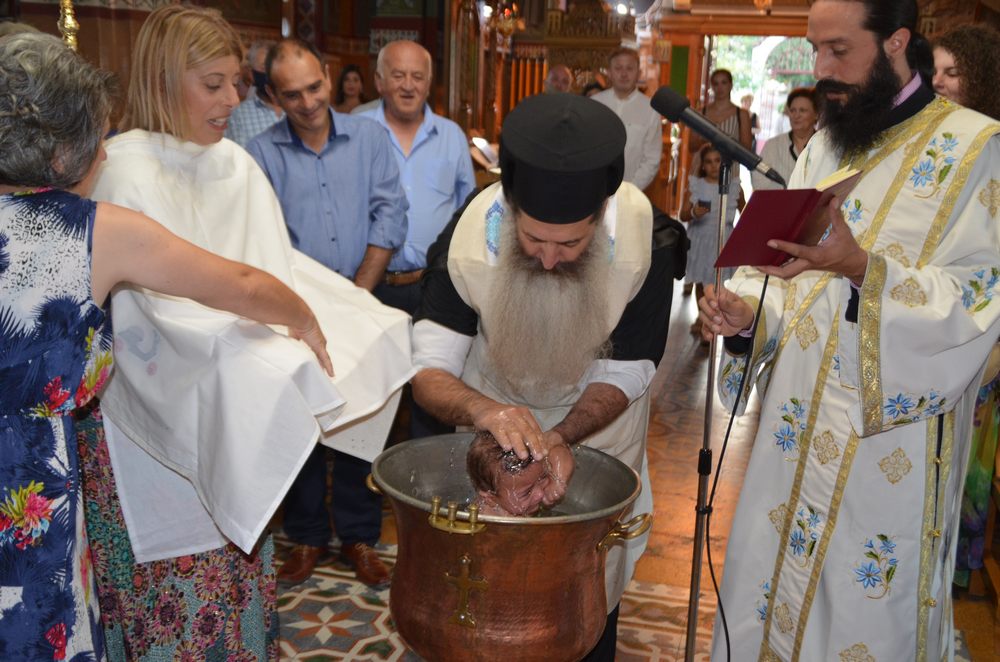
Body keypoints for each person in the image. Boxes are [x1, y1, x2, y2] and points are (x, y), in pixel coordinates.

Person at [87, 6, 412, 658]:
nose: (234, 100)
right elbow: (152, 312)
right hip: (155, 422)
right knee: (172, 605)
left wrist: (359, 319)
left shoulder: (234, 163)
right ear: (160, 77)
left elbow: (277, 268)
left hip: (240, 398)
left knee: (236, 582)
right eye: (213, 84)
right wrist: (259, 350)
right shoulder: (121, 170)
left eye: (237, 81)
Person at [0, 32, 332, 661]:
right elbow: (237, 284)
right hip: (31, 502)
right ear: (62, 147)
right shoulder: (91, 231)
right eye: (94, 136)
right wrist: (304, 318)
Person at [698, 1, 1000, 660]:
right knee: (763, 597)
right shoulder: (829, 143)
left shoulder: (976, 146)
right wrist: (749, 312)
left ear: (896, 42)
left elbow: (979, 299)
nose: (820, 70)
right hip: (792, 429)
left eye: (838, 51)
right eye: (814, 50)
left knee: (858, 617)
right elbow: (777, 266)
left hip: (885, 445)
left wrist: (862, 267)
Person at [411, 93, 674, 660]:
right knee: (481, 607)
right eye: (533, 241)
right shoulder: (468, 237)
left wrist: (558, 437)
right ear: (509, 209)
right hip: (489, 428)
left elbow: (627, 367)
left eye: (571, 244)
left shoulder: (642, 238)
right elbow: (429, 370)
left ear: (600, 215)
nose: (550, 259)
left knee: (581, 603)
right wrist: (487, 414)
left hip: (599, 435)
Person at [248, 37, 410, 588]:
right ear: (274, 96)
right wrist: (301, 311)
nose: (309, 102)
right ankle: (309, 537)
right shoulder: (261, 153)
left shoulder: (368, 138)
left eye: (315, 87)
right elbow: (260, 239)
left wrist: (359, 294)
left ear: (329, 75)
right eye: (292, 95)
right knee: (304, 424)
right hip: (294, 310)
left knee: (363, 420)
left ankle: (361, 537)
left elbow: (389, 212)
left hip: (363, 296)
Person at [931, 24, 1000, 591]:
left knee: (971, 469)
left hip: (987, 335)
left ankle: (957, 574)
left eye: (953, 72)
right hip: (941, 328)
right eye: (934, 72)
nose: (940, 83)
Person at [360, 39, 475, 315]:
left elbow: (469, 214)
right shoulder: (358, 131)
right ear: (379, 81)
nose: (409, 86)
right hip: (371, 285)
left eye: (418, 77)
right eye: (398, 76)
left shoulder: (452, 136)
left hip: (436, 283)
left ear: (428, 82)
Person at [680, 144, 739, 340]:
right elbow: (683, 214)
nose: (714, 166)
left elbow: (746, 212)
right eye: (709, 162)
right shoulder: (697, 185)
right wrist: (694, 212)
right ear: (703, 166)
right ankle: (702, 316)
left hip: (723, 239)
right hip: (701, 238)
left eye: (717, 161)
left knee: (718, 281)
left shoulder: (733, 187)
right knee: (701, 280)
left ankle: (714, 316)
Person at [591, 48, 663, 191]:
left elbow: (652, 159)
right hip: (593, 189)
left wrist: (630, 189)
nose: (624, 74)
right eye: (618, 68)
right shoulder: (594, 104)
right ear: (609, 73)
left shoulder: (650, 110)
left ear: (639, 73)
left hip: (631, 192)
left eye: (629, 68)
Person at [467, 432, 554, 517]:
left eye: (543, 478)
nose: (540, 494)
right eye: (527, 492)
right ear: (490, 498)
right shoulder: (484, 518)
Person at [751, 87, 819, 192]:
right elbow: (758, 183)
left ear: (816, 114)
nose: (796, 115)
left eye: (802, 110)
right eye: (793, 110)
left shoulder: (826, 146)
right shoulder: (773, 145)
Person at [224, 39, 285, 147]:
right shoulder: (239, 117)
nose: (272, 72)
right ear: (251, 74)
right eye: (264, 67)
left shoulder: (299, 108)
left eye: (276, 66)